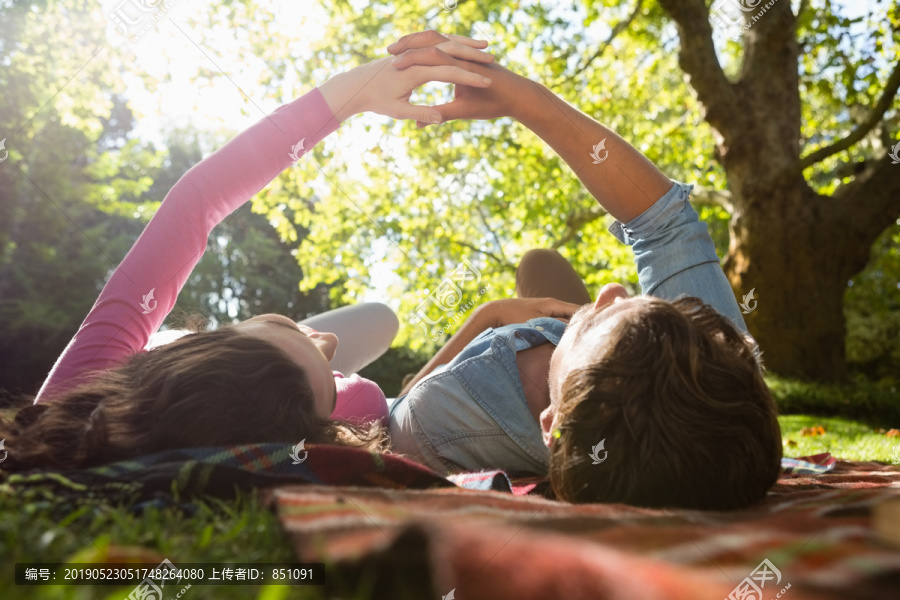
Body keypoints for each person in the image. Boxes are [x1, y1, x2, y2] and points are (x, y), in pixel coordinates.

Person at [0, 33, 497, 474]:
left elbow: (196, 202)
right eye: (326, 391)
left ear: (209, 344)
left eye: (287, 330)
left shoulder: (83, 397)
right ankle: (302, 368)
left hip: (219, 378)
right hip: (270, 395)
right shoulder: (348, 412)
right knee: (371, 365)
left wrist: (350, 95)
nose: (327, 340)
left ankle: (297, 366)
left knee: (377, 321)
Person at [385, 31, 782, 510]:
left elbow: (402, 410)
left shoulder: (442, 421)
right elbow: (664, 224)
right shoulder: (721, 355)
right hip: (548, 346)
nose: (613, 290)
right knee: (540, 262)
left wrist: (493, 313)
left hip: (451, 383)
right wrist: (523, 100)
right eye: (648, 311)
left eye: (606, 323)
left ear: (552, 425)